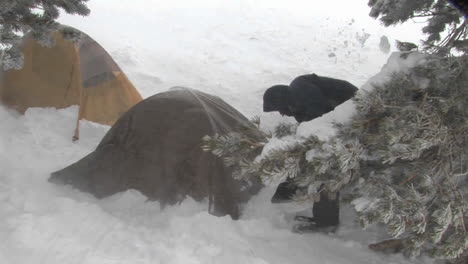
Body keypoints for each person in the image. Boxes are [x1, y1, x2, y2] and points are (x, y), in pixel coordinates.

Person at [265, 74, 358, 232]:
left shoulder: (302, 90)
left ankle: (326, 223)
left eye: (280, 108)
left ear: (284, 100)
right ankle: (323, 218)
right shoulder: (299, 100)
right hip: (345, 120)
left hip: (355, 118)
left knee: (325, 168)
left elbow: (320, 131)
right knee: (318, 160)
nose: (281, 113)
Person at [263, 73, 358, 123]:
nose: (281, 113)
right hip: (348, 105)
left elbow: (320, 112)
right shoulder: (297, 99)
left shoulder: (300, 87)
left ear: (282, 101)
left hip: (354, 99)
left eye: (279, 109)